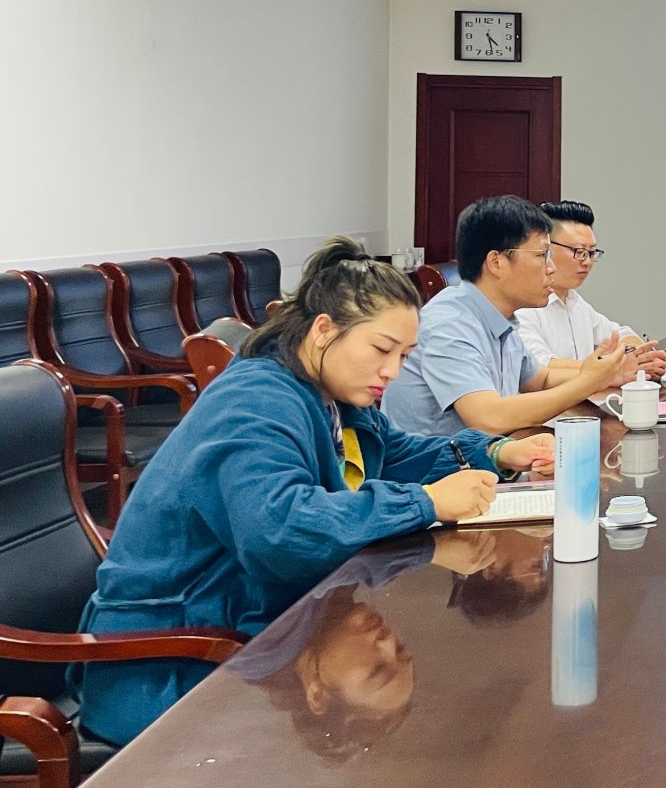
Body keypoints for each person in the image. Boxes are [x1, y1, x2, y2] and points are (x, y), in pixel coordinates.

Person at [75, 238, 557, 746]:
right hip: (167, 666)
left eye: (404, 356)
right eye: (381, 350)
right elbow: (280, 530)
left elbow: (393, 453)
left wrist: (497, 453)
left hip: (253, 634)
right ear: (323, 329)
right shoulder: (255, 400)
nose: (392, 371)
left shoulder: (329, 393)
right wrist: (425, 502)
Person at [383, 195, 641, 436]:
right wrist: (586, 383)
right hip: (435, 468)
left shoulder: (500, 317)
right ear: (497, 262)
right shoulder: (449, 324)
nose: (551, 268)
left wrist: (606, 375)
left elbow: (541, 379)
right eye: (541, 256)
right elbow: (489, 417)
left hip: (485, 457)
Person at [516, 200, 666, 378]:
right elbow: (540, 366)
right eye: (579, 251)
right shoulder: (522, 306)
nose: (587, 261)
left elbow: (622, 334)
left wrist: (640, 357)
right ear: (546, 248)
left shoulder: (576, 302)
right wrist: (616, 367)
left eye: (592, 252)